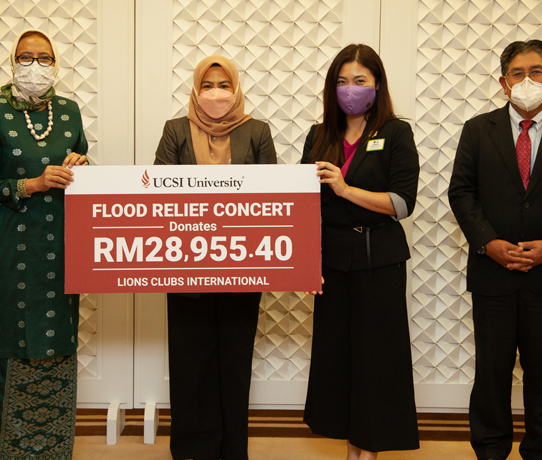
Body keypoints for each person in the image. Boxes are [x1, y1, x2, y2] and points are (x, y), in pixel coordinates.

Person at [448, 39, 542, 460]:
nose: (527, 80)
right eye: (518, 73)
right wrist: (489, 244)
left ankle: (540, 451)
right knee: (492, 373)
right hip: (492, 272)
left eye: (537, 71)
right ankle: (491, 449)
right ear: (503, 82)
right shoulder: (478, 129)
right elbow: (461, 193)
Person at [0, 29, 88, 460]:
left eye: (44, 57)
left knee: (57, 343)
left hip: (61, 249)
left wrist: (82, 164)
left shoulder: (70, 112)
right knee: (13, 343)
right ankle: (11, 451)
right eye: (25, 57)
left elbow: (85, 172)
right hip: (11, 248)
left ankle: (55, 450)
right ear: (13, 62)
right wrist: (31, 184)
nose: (35, 66)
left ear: (56, 64)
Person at [154, 55, 277, 460]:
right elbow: (158, 198)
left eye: (224, 85)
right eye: (207, 85)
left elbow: (272, 199)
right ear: (195, 89)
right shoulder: (175, 130)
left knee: (234, 364)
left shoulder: (257, 131)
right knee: (191, 367)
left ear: (237, 88)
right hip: (185, 273)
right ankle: (191, 451)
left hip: (244, 271)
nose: (216, 93)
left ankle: (231, 452)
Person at [301, 44, 420, 460]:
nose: (350, 89)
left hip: (379, 260)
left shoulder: (396, 132)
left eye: (359, 81)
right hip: (332, 262)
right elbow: (303, 208)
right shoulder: (319, 136)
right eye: (342, 82)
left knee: (377, 359)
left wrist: (346, 188)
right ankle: (347, 441)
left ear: (376, 85)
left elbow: (404, 203)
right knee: (337, 357)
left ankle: (366, 450)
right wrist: (305, 264)